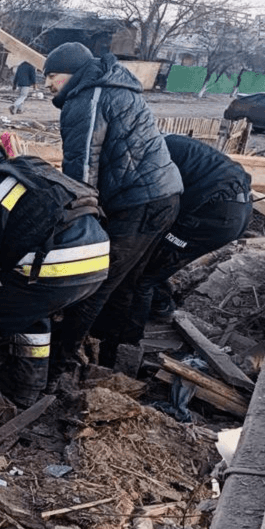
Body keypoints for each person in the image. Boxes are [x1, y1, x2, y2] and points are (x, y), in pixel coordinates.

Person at [42, 42, 183, 371]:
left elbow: (81, 164)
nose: (48, 84)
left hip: (138, 202)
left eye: (52, 76)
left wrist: (79, 220)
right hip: (164, 196)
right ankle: (115, 353)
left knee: (96, 278)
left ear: (73, 74)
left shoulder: (87, 98)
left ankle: (62, 359)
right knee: (126, 280)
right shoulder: (116, 88)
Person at [0, 138, 110, 418]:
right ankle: (28, 389)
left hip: (59, 263)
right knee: (30, 309)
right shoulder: (27, 170)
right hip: (98, 256)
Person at [124, 134, 253, 333]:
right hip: (239, 208)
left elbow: (149, 200)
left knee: (143, 276)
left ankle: (129, 339)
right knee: (161, 256)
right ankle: (162, 304)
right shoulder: (172, 144)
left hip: (214, 214)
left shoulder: (156, 154)